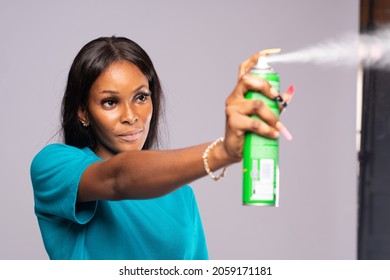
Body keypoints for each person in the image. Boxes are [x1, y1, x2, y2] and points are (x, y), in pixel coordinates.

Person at [30, 36, 293, 260]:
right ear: (83, 113)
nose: (131, 116)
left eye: (141, 97)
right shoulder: (54, 167)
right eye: (110, 102)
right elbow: (119, 178)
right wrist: (222, 153)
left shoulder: (181, 197)